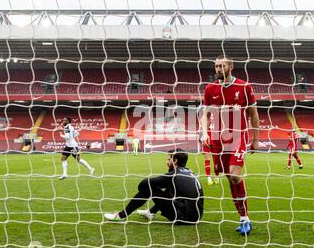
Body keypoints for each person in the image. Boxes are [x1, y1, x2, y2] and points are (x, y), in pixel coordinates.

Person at [201, 54, 260, 235]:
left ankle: (246, 218)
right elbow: (206, 114)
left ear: (231, 66)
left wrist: (255, 139)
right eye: (216, 66)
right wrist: (204, 133)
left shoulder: (244, 86)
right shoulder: (210, 88)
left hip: (238, 137)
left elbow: (254, 113)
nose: (218, 69)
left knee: (235, 176)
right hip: (218, 139)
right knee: (229, 178)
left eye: (222, 66)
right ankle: (243, 218)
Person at [104, 148, 204, 224]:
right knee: (170, 190)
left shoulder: (174, 175)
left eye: (169, 159)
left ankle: (121, 216)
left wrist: (145, 191)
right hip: (195, 216)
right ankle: (150, 212)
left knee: (149, 188)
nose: (167, 162)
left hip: (184, 217)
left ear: (175, 161)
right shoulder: (189, 172)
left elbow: (144, 183)